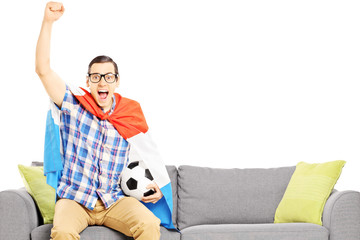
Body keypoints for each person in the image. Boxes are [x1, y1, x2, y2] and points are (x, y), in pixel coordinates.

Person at [35, 2, 163, 240]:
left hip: (113, 201)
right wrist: (48, 22)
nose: (102, 82)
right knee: (62, 232)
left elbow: (142, 158)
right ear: (89, 81)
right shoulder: (73, 105)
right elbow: (43, 69)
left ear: (116, 81)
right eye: (96, 76)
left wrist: (153, 187)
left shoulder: (128, 115)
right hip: (75, 200)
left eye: (108, 76)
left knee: (149, 224)